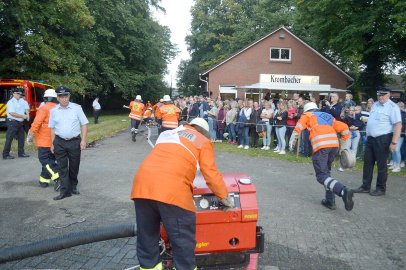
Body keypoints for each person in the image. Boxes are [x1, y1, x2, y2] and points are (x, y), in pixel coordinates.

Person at [130, 118, 232, 270]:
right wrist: (224, 198)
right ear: (204, 131)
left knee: (147, 239)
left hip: (142, 187)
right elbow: (210, 173)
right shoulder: (202, 140)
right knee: (183, 242)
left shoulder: (167, 134)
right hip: (172, 191)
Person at [289, 102, 354, 211]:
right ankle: (330, 200)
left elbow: (298, 127)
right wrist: (344, 148)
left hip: (321, 147)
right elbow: (344, 128)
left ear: (306, 110)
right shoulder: (327, 116)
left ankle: (343, 191)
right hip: (333, 146)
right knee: (326, 173)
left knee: (321, 176)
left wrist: (292, 141)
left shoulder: (307, 115)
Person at [354, 89, 402, 196]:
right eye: (379, 95)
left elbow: (398, 125)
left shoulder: (393, 107)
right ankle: (365, 186)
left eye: (383, 95)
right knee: (367, 163)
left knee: (381, 165)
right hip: (371, 139)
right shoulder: (375, 105)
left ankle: (380, 188)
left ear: (388, 95)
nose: (380, 97)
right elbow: (371, 120)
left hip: (383, 139)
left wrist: (394, 142)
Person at [49, 86, 89, 200]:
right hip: (59, 142)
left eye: (66, 96)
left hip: (74, 141)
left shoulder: (77, 108)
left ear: (69, 96)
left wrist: (83, 140)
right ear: (57, 98)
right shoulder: (53, 111)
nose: (64, 99)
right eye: (61, 96)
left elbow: (84, 124)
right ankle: (64, 191)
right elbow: (52, 128)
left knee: (74, 166)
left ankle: (73, 186)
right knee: (62, 168)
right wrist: (52, 143)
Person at [27, 89, 60, 190]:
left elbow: (36, 124)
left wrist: (30, 136)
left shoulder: (44, 108)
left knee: (45, 161)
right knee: (49, 160)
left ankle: (59, 178)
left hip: (44, 141)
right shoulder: (59, 108)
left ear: (45, 98)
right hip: (56, 141)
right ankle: (43, 180)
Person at [2, 88, 30, 159]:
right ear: (13, 94)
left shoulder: (22, 100)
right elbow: (12, 113)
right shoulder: (11, 102)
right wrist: (23, 116)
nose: (19, 95)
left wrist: (27, 114)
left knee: (21, 138)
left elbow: (26, 108)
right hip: (12, 121)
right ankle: (5, 155)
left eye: (20, 94)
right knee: (9, 138)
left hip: (20, 122)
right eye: (17, 93)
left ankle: (21, 153)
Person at [389, 102, 405, 172]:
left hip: (401, 134)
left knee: (397, 149)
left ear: (402, 107)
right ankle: (394, 164)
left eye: (400, 107)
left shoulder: (404, 114)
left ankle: (398, 166)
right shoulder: (393, 114)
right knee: (393, 149)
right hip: (393, 133)